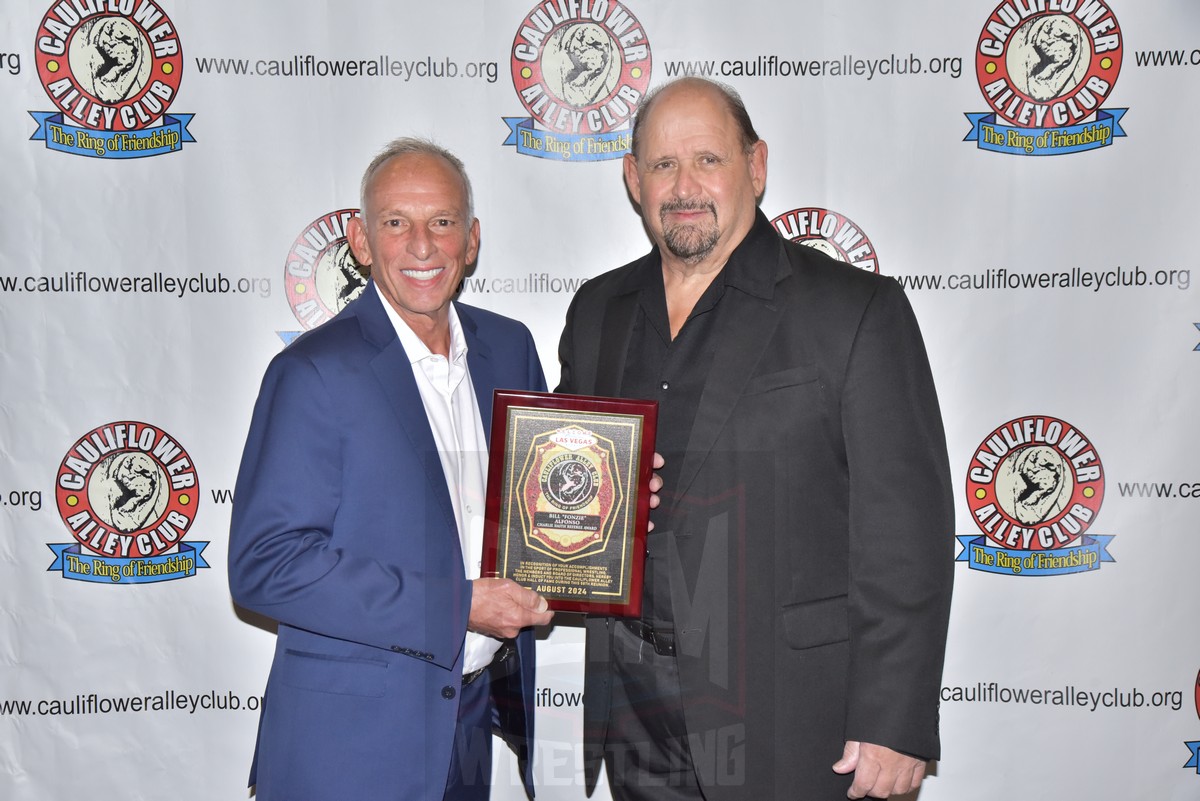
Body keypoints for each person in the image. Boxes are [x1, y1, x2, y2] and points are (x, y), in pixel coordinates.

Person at [556, 77, 954, 800]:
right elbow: (562, 485)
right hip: (635, 707)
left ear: (757, 166)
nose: (683, 186)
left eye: (707, 159)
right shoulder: (597, 310)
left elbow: (906, 534)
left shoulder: (855, 310)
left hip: (790, 711)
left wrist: (895, 719)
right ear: (631, 178)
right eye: (662, 165)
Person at [228, 138, 554, 801]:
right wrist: (461, 605)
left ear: (473, 237)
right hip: (347, 742)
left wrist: (620, 505)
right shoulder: (313, 372)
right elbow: (266, 563)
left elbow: (542, 506)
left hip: (469, 724)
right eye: (396, 222)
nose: (423, 246)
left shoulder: (509, 348)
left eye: (442, 221)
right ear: (361, 239)